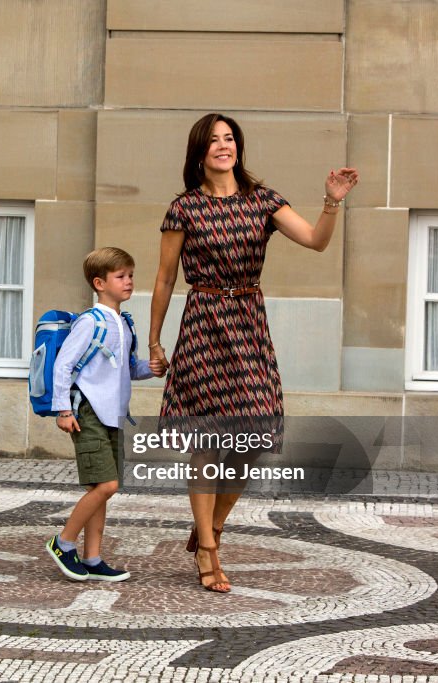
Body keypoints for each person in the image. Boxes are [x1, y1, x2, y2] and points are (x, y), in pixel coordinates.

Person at [147, 112, 358, 592]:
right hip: (202, 325)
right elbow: (164, 278)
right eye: (214, 140)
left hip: (248, 324)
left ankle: (212, 527)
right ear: (199, 152)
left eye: (230, 138)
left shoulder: (263, 201)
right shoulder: (184, 209)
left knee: (254, 435)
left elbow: (316, 242)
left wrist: (332, 202)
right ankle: (207, 550)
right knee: (207, 444)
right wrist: (156, 339)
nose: (224, 146)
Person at [45, 247, 159, 582]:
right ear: (99, 283)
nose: (129, 281)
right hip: (88, 412)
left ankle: (93, 558)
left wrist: (152, 369)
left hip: (114, 415)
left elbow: (127, 370)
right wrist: (63, 410)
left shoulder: (124, 323)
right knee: (106, 485)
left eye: (131, 275)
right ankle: (63, 543)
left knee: (103, 487)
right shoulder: (90, 322)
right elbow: (63, 365)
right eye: (121, 276)